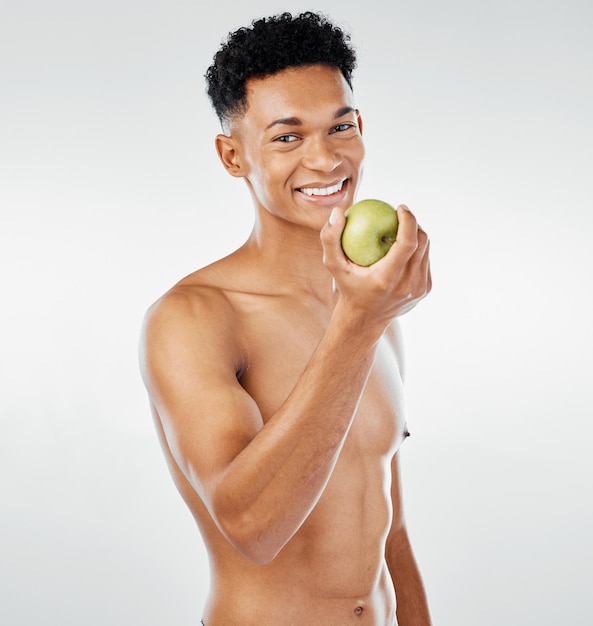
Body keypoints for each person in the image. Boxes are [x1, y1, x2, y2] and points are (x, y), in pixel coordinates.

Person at [139, 11, 432, 626]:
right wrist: (357, 323)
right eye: (287, 136)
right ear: (232, 155)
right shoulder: (193, 317)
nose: (325, 160)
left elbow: (392, 531)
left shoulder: (374, 310)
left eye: (341, 127)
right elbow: (253, 526)